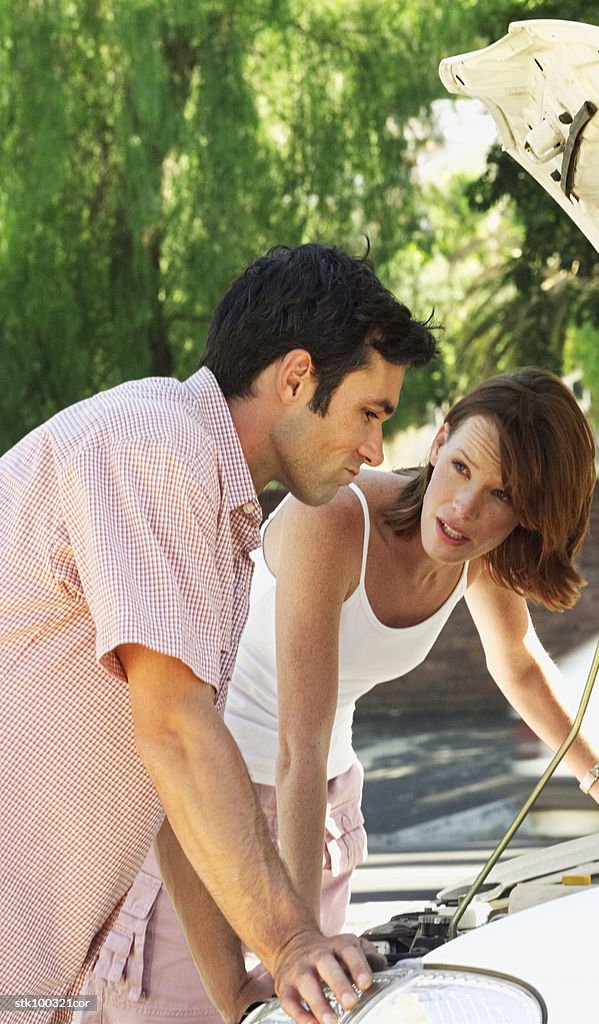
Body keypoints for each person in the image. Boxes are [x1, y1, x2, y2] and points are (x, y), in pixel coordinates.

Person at [83, 368, 599, 1023]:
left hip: (320, 813)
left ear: (527, 512)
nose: (464, 508)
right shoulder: (335, 517)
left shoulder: (479, 552)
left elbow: (520, 667)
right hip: (212, 806)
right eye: (461, 467)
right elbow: (298, 743)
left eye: (501, 494)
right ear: (439, 441)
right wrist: (298, 940)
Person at [0, 243, 439, 1024]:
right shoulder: (155, 451)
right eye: (370, 413)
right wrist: (292, 941)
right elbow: (176, 733)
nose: (376, 451)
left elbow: (170, 782)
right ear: (296, 378)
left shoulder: (206, 494)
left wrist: (236, 986)